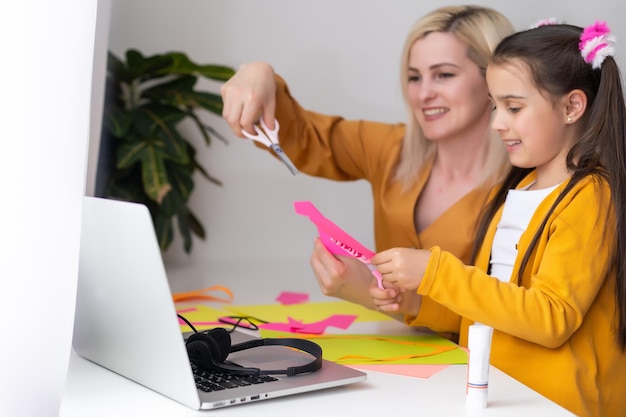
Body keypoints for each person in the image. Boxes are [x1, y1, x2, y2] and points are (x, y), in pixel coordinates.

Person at [371, 20, 626, 416]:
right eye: (495, 106)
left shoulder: (592, 196)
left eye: (514, 107)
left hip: (557, 406)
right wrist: (417, 295)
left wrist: (437, 273)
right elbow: (493, 303)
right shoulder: (519, 191)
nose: (496, 123)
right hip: (502, 395)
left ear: (572, 106)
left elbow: (549, 317)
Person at [221, 6, 513, 326]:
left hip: (483, 369)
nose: (424, 93)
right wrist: (259, 73)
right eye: (414, 77)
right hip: (393, 350)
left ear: (493, 80)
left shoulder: (527, 186)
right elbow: (304, 137)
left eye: (444, 74)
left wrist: (371, 291)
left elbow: (521, 311)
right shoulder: (392, 150)